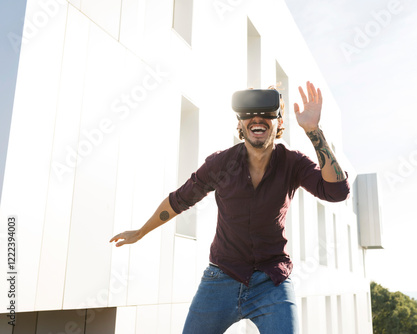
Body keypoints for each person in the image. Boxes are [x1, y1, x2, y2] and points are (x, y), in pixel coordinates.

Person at [109, 81, 350, 333]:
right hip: (220, 278)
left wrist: (313, 131)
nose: (257, 118)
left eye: (267, 113)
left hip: (272, 281)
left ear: (279, 123)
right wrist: (140, 232)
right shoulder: (221, 163)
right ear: (240, 125)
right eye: (248, 114)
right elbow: (179, 199)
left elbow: (337, 191)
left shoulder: (293, 163)